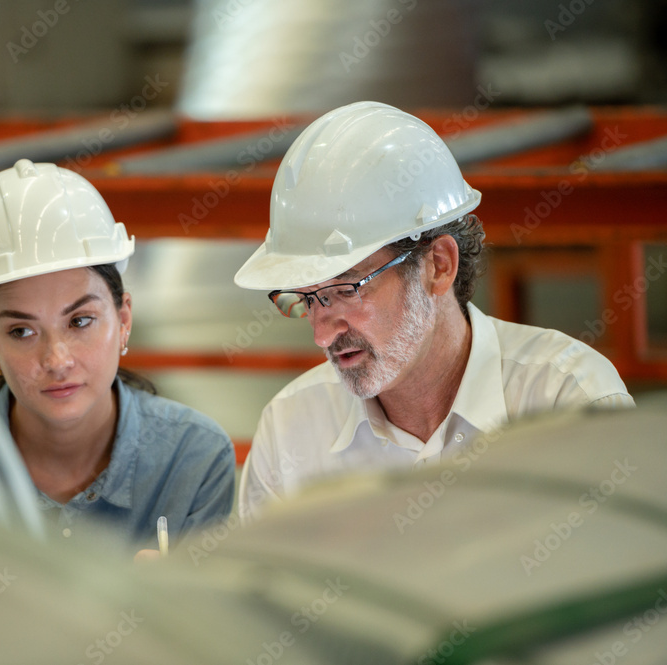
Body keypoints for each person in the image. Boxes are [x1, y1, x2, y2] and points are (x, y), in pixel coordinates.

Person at [233, 101, 634, 523]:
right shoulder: (291, 430)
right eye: (307, 299)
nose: (322, 335)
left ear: (438, 266)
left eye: (346, 289)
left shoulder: (567, 403)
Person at [0, 159, 236, 555]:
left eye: (80, 321)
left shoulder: (191, 459)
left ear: (123, 319)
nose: (57, 359)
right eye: (22, 331)